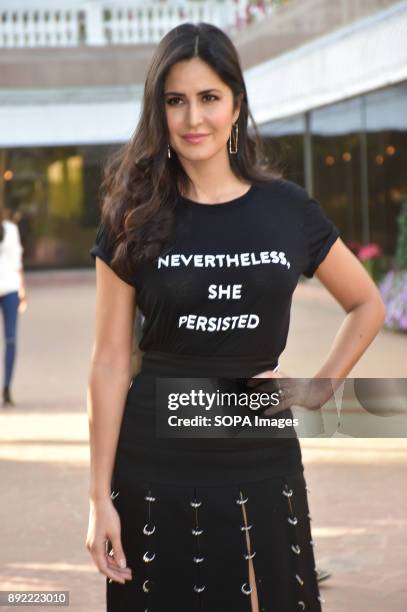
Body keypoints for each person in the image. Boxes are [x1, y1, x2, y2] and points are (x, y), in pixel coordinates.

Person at [85, 23, 386, 612]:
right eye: (176, 100)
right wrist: (98, 498)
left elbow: (366, 303)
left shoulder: (287, 209)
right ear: (159, 111)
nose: (193, 118)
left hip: (259, 440)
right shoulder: (135, 214)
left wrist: (320, 385)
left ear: (236, 105)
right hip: (155, 453)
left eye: (209, 98)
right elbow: (109, 360)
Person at [0, 208, 27, 407]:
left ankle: (7, 386)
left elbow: (17, 261)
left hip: (10, 288)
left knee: (10, 339)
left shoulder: (11, 229)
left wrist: (22, 289)